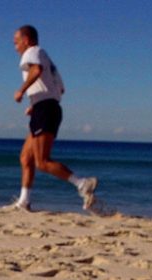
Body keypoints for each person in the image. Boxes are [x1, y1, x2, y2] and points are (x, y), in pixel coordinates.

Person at [8, 24, 97, 212]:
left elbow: (36, 71)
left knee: (42, 161)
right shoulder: (46, 57)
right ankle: (24, 202)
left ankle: (81, 183)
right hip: (45, 108)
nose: (14, 46)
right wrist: (35, 104)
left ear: (26, 40)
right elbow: (60, 89)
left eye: (16, 42)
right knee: (26, 158)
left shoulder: (32, 52)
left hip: (46, 110)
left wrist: (21, 91)